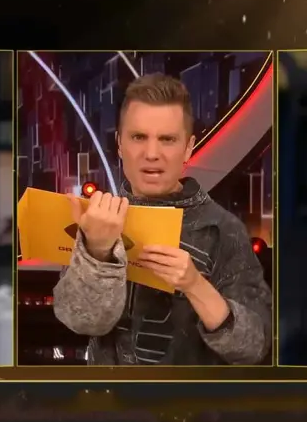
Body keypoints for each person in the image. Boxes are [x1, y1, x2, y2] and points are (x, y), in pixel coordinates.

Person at [53, 73, 272, 365]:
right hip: (108, 395)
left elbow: (253, 347)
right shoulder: (94, 220)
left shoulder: (223, 230)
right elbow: (81, 322)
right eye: (138, 137)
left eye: (167, 139)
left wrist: (195, 285)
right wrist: (97, 253)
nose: (152, 154)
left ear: (188, 147)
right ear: (119, 144)